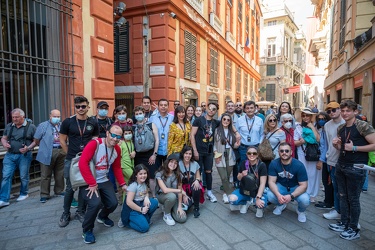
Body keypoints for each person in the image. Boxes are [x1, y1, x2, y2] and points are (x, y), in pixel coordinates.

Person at [328, 100, 375, 240]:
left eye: (348, 110)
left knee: (353, 199)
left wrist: (355, 148)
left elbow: (374, 144)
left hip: (356, 167)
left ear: (355, 112)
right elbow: (343, 148)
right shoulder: (341, 128)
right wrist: (336, 145)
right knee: (342, 196)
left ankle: (353, 228)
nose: (344, 113)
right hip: (341, 165)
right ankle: (344, 222)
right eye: (343, 111)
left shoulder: (362, 126)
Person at [78, 125, 127, 244]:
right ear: (107, 133)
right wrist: (92, 183)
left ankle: (102, 216)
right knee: (95, 203)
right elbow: (82, 163)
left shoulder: (117, 150)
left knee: (113, 203)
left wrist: (122, 184)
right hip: (88, 180)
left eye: (118, 137)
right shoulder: (95, 144)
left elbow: (116, 168)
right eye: (113, 135)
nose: (115, 139)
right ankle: (87, 229)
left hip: (103, 179)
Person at [58, 96, 99, 227]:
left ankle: (80, 211)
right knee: (70, 188)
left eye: (83, 106)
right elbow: (62, 140)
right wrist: (69, 154)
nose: (80, 109)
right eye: (77, 107)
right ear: (74, 107)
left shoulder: (93, 122)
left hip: (87, 160)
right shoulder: (68, 122)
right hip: (72, 159)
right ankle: (65, 213)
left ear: (88, 106)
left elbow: (95, 139)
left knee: (84, 187)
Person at [0, 108, 37, 207]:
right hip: (10, 155)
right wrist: (4, 144)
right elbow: (4, 138)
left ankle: (24, 193)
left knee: (23, 176)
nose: (14, 119)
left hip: (24, 155)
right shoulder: (9, 126)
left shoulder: (31, 127)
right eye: (13, 117)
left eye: (17, 117)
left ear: (23, 117)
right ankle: (4, 199)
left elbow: (36, 141)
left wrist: (28, 148)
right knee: (6, 176)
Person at [267, 142, 310, 222]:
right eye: (282, 151)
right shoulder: (274, 164)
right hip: (281, 186)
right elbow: (271, 182)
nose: (284, 153)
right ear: (278, 152)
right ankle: (281, 204)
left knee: (305, 200)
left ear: (291, 152)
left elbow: (304, 186)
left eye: (287, 151)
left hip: (295, 187)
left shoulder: (299, 165)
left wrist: (291, 196)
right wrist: (278, 195)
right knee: (269, 195)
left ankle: (301, 211)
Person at [34, 109, 65, 203]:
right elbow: (36, 139)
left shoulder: (62, 125)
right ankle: (44, 194)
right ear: (50, 116)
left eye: (58, 116)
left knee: (60, 173)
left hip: (61, 150)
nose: (57, 118)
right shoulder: (43, 125)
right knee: (45, 174)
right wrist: (45, 145)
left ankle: (59, 191)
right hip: (47, 151)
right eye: (55, 116)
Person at [191, 102, 220, 203]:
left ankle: (209, 192)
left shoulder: (216, 122)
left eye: (214, 109)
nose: (211, 110)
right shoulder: (198, 120)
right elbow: (192, 135)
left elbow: (227, 125)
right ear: (207, 108)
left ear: (216, 111)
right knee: (197, 172)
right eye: (210, 108)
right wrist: (194, 150)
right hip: (199, 151)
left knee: (209, 172)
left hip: (209, 152)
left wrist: (236, 133)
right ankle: (197, 192)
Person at [228, 146, 268, 217]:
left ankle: (256, 204)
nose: (251, 155)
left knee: (261, 205)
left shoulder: (262, 165)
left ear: (257, 154)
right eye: (249, 153)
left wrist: (258, 198)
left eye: (254, 153)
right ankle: (246, 202)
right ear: (246, 154)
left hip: (257, 191)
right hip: (245, 190)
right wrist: (242, 175)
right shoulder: (244, 163)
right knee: (231, 200)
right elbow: (238, 178)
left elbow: (262, 183)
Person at [322, 102, 345, 220]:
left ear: (340, 110)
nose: (332, 112)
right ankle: (338, 210)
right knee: (335, 187)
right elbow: (327, 143)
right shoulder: (327, 125)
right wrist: (325, 157)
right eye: (329, 111)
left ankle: (342, 211)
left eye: (334, 110)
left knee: (343, 189)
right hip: (330, 159)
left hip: (344, 160)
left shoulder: (346, 123)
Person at [120, 164, 159, 233]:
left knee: (155, 202)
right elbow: (128, 202)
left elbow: (146, 191)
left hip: (141, 203)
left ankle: (144, 219)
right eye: (140, 174)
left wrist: (146, 197)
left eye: (145, 173)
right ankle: (127, 222)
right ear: (136, 175)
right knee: (144, 228)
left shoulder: (144, 182)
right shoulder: (133, 186)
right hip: (132, 209)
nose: (143, 176)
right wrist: (141, 209)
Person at [294, 107, 320, 203]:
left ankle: (312, 194)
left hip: (313, 153)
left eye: (307, 115)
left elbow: (318, 139)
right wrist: (301, 142)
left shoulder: (316, 126)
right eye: (303, 115)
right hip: (301, 152)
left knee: (313, 174)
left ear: (311, 116)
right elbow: (294, 142)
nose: (305, 117)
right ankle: (303, 192)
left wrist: (312, 126)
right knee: (303, 173)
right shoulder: (297, 127)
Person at [149, 99, 174, 197]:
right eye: (161, 105)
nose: (163, 107)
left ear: (168, 106)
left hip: (168, 150)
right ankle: (155, 195)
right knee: (155, 173)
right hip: (157, 151)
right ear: (158, 107)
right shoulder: (153, 118)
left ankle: (167, 192)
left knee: (169, 172)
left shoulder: (172, 118)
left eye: (165, 105)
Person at [133, 106, 159, 198]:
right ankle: (141, 196)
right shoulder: (133, 127)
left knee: (152, 176)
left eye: (140, 113)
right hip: (138, 156)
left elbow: (157, 140)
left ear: (144, 113)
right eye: (137, 114)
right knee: (139, 176)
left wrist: (154, 154)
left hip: (150, 154)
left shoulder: (151, 125)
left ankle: (154, 196)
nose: (139, 115)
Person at [213, 113, 240, 203]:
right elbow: (213, 144)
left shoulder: (231, 132)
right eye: (224, 119)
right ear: (221, 120)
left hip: (230, 155)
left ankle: (225, 193)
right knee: (223, 177)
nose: (226, 121)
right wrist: (216, 154)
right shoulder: (217, 130)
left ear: (230, 122)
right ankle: (229, 194)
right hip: (220, 154)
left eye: (228, 120)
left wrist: (237, 144)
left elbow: (234, 146)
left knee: (228, 176)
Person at [156, 153, 187, 225]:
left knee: (182, 218)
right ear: (167, 162)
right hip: (162, 196)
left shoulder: (178, 174)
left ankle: (169, 208)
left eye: (176, 163)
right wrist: (180, 191)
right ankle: (166, 215)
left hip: (174, 198)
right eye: (171, 162)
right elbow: (165, 190)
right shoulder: (159, 174)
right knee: (171, 196)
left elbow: (179, 192)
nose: (173, 164)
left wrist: (179, 206)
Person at [315, 112, 333, 210]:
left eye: (323, 118)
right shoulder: (322, 130)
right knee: (326, 181)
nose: (321, 121)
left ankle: (329, 202)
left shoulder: (326, 130)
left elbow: (326, 146)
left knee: (328, 181)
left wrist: (321, 160)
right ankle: (328, 200)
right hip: (325, 158)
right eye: (319, 119)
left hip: (327, 159)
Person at [178, 146, 203, 218]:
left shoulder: (195, 164)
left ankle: (196, 207)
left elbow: (198, 176)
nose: (188, 156)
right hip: (182, 187)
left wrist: (197, 180)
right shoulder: (178, 164)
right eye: (186, 153)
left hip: (192, 184)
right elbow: (177, 183)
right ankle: (189, 200)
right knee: (187, 206)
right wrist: (184, 195)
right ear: (183, 154)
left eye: (190, 154)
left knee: (196, 187)